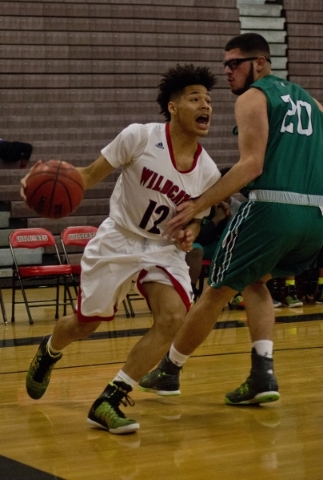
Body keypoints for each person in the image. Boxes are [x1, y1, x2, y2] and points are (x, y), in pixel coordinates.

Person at [23, 64, 221, 434]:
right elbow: (86, 175)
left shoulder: (208, 171)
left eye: (209, 100)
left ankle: (109, 399)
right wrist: (40, 180)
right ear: (174, 107)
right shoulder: (140, 136)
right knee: (86, 324)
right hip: (120, 237)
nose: (206, 105)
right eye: (195, 98)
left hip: (162, 249)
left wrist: (190, 231)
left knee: (173, 319)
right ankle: (49, 350)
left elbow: (197, 218)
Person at [138, 33, 323, 407]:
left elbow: (251, 165)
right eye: (225, 64)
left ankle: (169, 370)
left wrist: (198, 203)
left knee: (215, 291)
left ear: (259, 63)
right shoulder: (313, 104)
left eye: (234, 63)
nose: (227, 72)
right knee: (256, 281)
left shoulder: (255, 97)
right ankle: (262, 373)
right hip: (315, 218)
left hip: (272, 209)